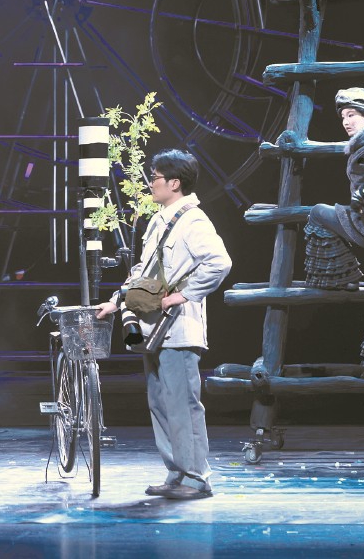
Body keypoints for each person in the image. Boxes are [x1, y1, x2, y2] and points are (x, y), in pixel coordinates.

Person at [96, 149, 232, 500]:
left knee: (183, 405)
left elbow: (219, 262)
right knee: (160, 404)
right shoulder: (160, 220)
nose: (150, 183)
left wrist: (184, 295)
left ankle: (196, 479)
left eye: (155, 177)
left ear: (175, 183)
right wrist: (117, 301)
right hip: (154, 328)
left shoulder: (193, 221)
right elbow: (143, 272)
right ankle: (176, 473)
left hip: (179, 329)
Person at [303, 77, 364, 378]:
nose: (346, 121)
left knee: (318, 213)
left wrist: (361, 197)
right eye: (343, 117)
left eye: (352, 115)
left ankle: (341, 277)